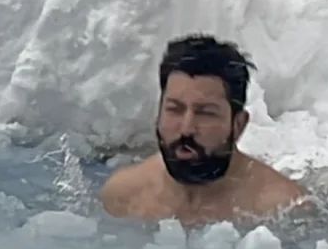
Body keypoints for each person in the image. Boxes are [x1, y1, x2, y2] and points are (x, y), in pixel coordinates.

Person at [98, 35, 307, 226]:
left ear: (239, 124)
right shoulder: (123, 195)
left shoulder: (284, 211)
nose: (187, 128)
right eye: (174, 110)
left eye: (206, 113)